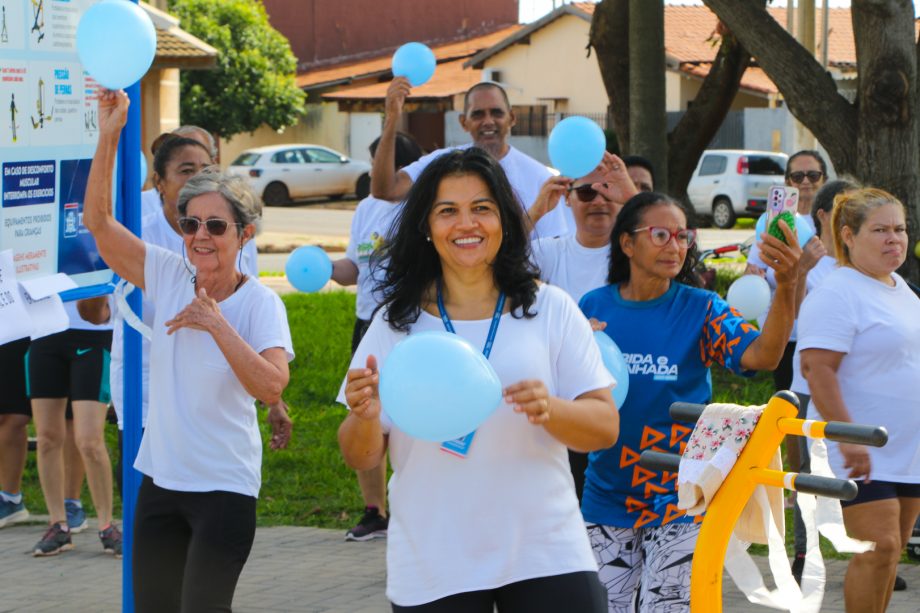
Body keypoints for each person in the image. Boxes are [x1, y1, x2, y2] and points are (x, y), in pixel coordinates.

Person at [339, 147, 617, 611]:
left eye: (481, 209)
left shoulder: (550, 307)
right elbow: (360, 454)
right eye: (447, 211)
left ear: (504, 220)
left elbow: (604, 428)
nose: (466, 224)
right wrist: (365, 416)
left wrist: (553, 408)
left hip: (546, 551)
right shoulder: (395, 323)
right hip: (434, 559)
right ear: (426, 227)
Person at [84, 89, 293, 612]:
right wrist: (108, 135)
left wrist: (216, 325)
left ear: (243, 235)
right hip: (160, 480)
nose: (200, 236)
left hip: (225, 487)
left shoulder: (260, 304)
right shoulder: (169, 273)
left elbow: (270, 384)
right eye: (190, 223)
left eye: (216, 226)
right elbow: (99, 225)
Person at [578, 191, 801, 611]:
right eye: (660, 234)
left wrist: (787, 285)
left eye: (683, 236)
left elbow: (763, 357)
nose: (675, 246)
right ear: (627, 243)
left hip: (682, 497)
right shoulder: (593, 306)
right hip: (606, 495)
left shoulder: (702, 309)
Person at [799, 188, 920, 613]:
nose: (895, 239)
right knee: (877, 547)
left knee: (891, 553)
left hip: (905, 449)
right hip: (858, 446)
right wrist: (848, 438)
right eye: (881, 230)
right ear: (848, 236)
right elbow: (817, 369)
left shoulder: (901, 287)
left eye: (900, 229)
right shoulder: (838, 291)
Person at [527, 152, 637, 502]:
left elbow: (674, 249)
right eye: (587, 192)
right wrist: (535, 212)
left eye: (609, 190)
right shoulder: (548, 252)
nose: (600, 201)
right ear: (568, 198)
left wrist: (631, 195)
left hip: (631, 398)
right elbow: (490, 260)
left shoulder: (640, 256)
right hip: (566, 403)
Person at [332, 131, 424, 541]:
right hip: (369, 321)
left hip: (411, 321)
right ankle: (374, 511)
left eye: (381, 164)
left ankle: (414, 504)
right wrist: (324, 267)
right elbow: (354, 266)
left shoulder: (420, 208)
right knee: (365, 412)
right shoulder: (367, 208)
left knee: (408, 415)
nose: (375, 173)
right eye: (373, 164)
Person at [371, 79, 571, 238]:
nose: (488, 121)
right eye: (477, 114)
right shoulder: (442, 164)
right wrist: (392, 119)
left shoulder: (538, 177)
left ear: (512, 118)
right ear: (463, 122)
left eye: (496, 113)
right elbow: (385, 189)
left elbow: (550, 251)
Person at [786, 178, 856, 582]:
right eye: (845, 212)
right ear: (824, 217)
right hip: (809, 385)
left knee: (860, 472)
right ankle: (803, 555)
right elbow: (794, 321)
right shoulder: (811, 262)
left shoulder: (864, 261)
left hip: (858, 389)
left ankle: (868, 549)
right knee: (810, 478)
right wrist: (799, 272)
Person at [29, 295, 119, 557]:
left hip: (92, 333)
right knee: (47, 438)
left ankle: (106, 525)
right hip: (44, 331)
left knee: (89, 440)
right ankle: (58, 525)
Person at [744, 150, 828, 393]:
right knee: (789, 406)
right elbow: (755, 269)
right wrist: (752, 276)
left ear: (824, 179)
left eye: (813, 175)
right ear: (787, 182)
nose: (805, 182)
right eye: (797, 176)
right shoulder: (773, 222)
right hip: (785, 334)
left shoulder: (833, 221)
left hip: (823, 330)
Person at [0, 337, 31, 528]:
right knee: (5, 416)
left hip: (32, 327)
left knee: (16, 416)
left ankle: (71, 504)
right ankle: (10, 499)